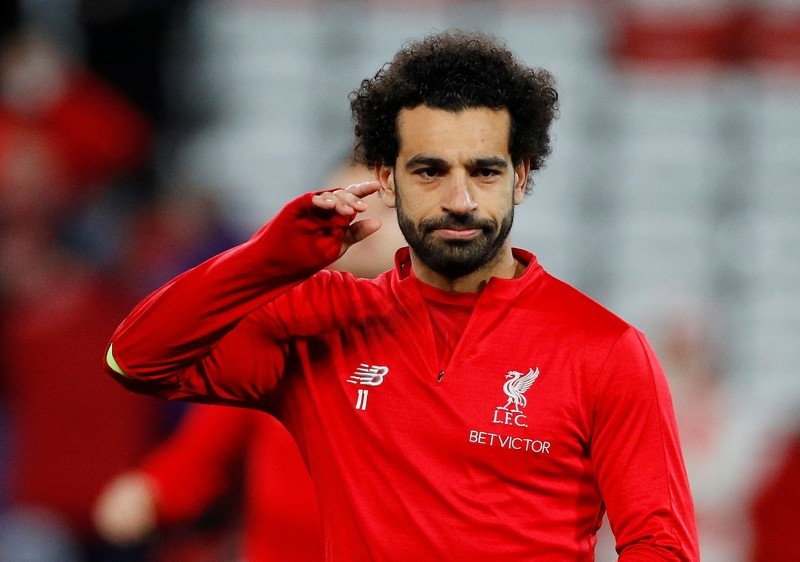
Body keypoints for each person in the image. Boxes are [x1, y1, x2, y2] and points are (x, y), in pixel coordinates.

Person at [104, 30, 699, 560]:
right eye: (430, 171)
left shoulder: (606, 349)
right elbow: (135, 359)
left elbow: (662, 544)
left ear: (521, 176)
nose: (460, 200)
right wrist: (266, 259)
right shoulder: (319, 323)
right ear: (388, 178)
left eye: (485, 171)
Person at [93, 162, 402, 561]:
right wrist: (150, 491)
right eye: (347, 207)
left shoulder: (450, 345)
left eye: (383, 209)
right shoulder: (285, 333)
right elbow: (203, 451)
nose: (362, 221)